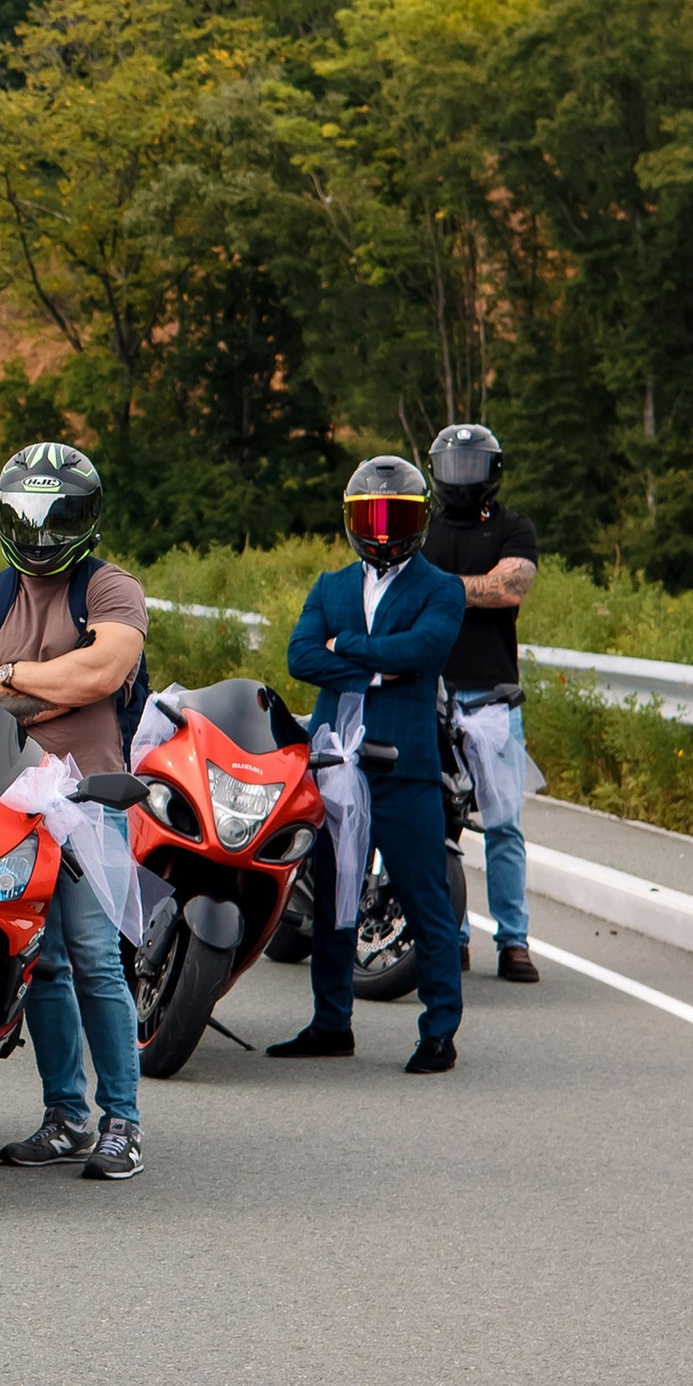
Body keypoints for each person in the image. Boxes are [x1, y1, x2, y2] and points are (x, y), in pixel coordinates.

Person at [0, 441, 150, 1183]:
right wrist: (55, 684)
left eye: (55, 515)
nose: (39, 530)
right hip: (9, 801)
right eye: (26, 514)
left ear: (85, 519)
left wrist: (9, 674)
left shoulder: (111, 590)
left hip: (91, 796)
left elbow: (104, 669)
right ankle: (65, 1115)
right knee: (45, 964)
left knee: (97, 960)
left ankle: (122, 1120)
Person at [270, 455, 468, 1072]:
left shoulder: (442, 587)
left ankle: (439, 1032)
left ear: (420, 519)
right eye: (370, 516)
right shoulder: (330, 585)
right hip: (333, 762)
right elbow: (300, 657)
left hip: (404, 767)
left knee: (424, 898)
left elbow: (426, 648)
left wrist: (348, 648)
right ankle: (331, 1023)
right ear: (353, 520)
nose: (383, 531)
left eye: (397, 516)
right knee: (332, 896)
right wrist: (385, 666)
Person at [425, 421, 539, 984]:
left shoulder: (513, 527)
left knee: (503, 823)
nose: (462, 478)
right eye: (453, 467)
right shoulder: (423, 527)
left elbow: (512, 585)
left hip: (493, 695)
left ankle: (514, 941)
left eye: (473, 467)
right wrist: (471, 587)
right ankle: (454, 933)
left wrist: (442, 588)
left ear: (492, 473)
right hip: (430, 692)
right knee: (438, 821)